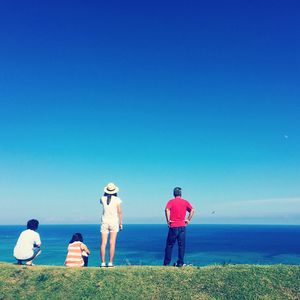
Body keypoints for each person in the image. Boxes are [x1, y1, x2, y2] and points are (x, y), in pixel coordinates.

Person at [163, 187, 195, 267]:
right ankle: (180, 263)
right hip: (182, 226)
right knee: (181, 246)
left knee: (169, 245)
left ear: (174, 194)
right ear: (181, 194)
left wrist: (168, 221)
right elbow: (192, 210)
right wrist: (188, 220)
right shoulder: (185, 202)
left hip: (173, 226)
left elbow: (167, 210)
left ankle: (166, 263)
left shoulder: (171, 201)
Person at [100, 182, 123, 267]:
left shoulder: (102, 198)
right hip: (114, 222)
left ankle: (102, 262)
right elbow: (119, 212)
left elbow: (103, 201)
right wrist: (120, 223)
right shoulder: (117, 199)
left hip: (104, 222)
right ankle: (110, 263)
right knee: (112, 243)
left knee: (103, 243)